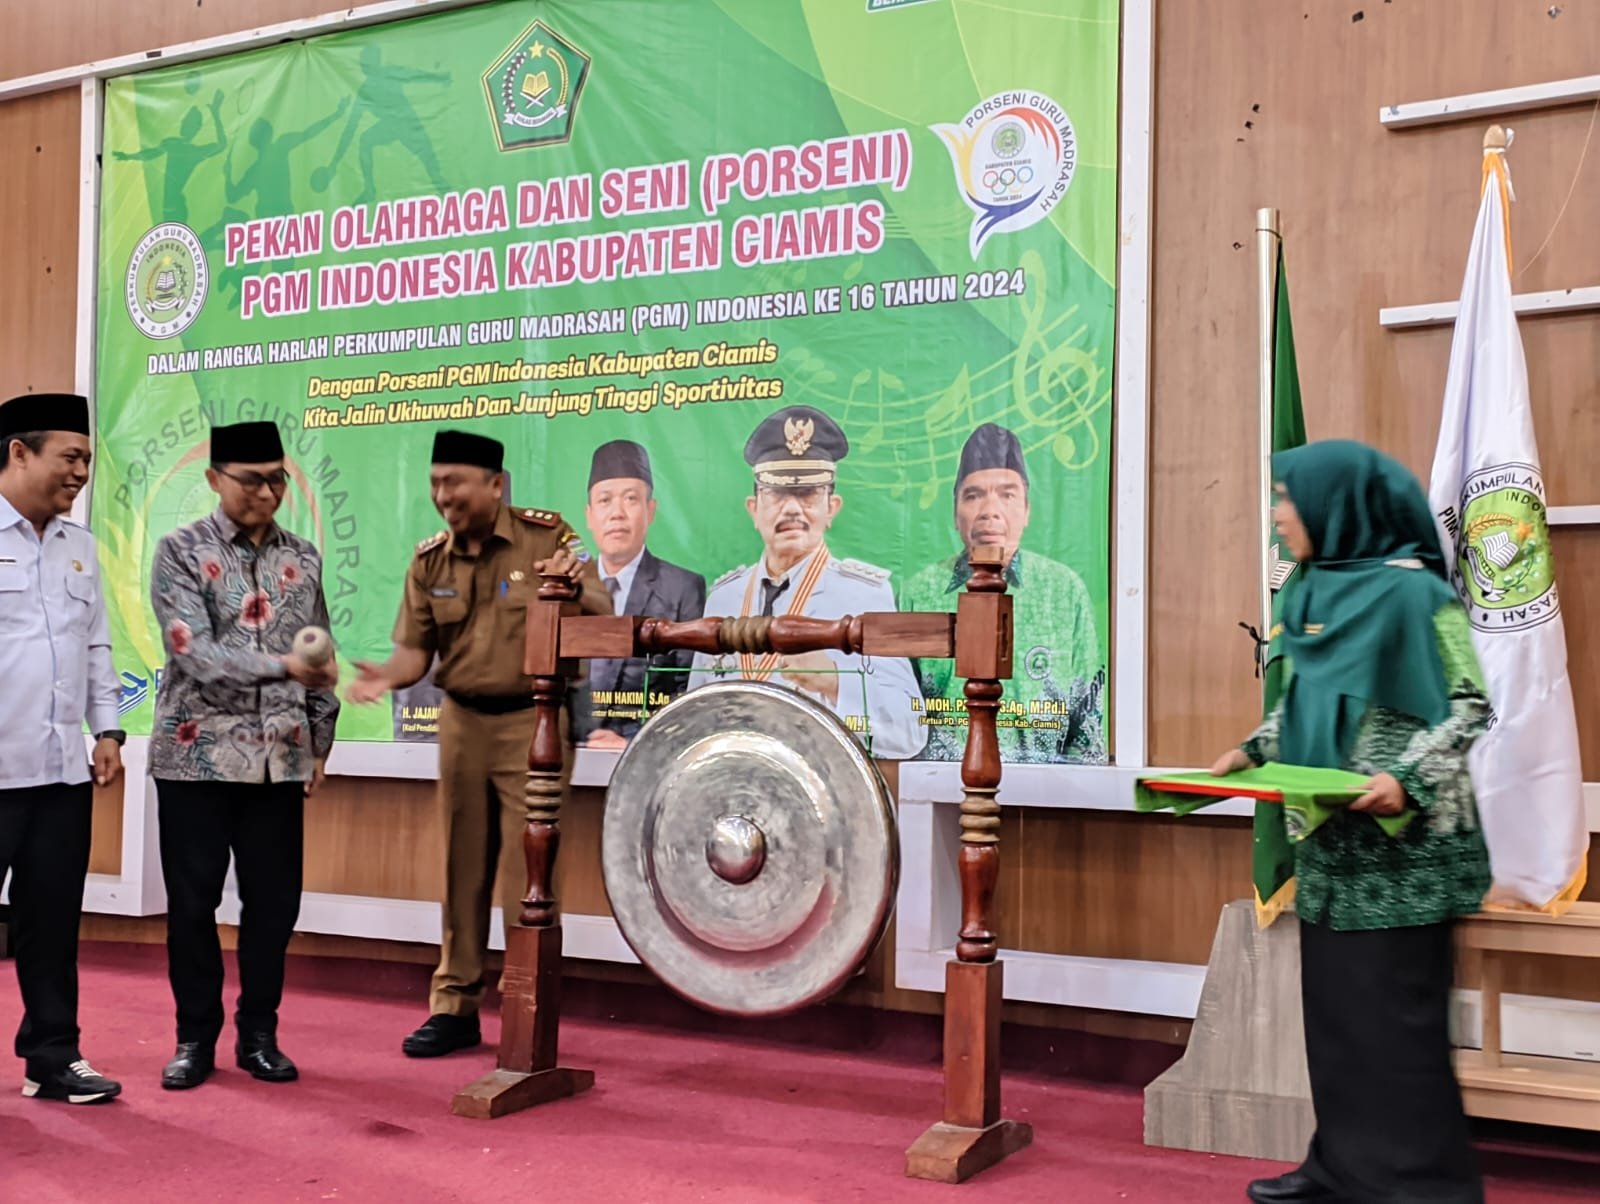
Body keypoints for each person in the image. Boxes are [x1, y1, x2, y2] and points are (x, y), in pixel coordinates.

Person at [1209, 441, 1490, 1204]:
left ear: (1334, 507)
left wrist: (1406, 780)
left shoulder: (1419, 597)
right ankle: (1338, 1168)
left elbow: (1471, 705)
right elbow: (1303, 707)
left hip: (1409, 863)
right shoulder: (1306, 594)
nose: (1276, 515)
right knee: (1337, 1030)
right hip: (1332, 856)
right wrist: (1252, 749)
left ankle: (1423, 1188)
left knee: (1397, 1038)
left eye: (1285, 499)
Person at [347, 430, 608, 1058]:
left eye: (455, 483)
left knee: (529, 879)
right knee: (461, 869)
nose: (444, 497)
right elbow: (416, 653)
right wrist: (387, 675)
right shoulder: (430, 561)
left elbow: (602, 620)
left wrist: (572, 588)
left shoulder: (548, 541)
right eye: (436, 484)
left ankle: (526, 1009)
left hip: (533, 725)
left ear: (495, 483)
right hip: (461, 722)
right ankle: (454, 1006)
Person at [148, 420, 340, 1091]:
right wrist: (286, 667)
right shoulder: (179, 551)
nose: (267, 492)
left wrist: (321, 738)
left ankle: (259, 1033)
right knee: (192, 906)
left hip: (280, 760)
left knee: (275, 905)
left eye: (277, 479)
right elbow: (192, 653)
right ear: (214, 480)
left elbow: (320, 652)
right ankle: (193, 1038)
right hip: (196, 757)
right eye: (251, 479)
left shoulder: (306, 556)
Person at [0, 392, 124, 1105]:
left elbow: (97, 647)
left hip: (58, 775)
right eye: (69, 457)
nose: (81, 472)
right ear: (20, 451)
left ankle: (52, 1055)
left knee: (51, 924)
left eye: (87, 459)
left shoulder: (80, 547)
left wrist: (106, 730)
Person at [688, 405, 926, 760]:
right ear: (754, 509)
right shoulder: (725, 596)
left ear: (833, 507)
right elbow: (697, 716)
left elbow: (910, 729)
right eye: (778, 494)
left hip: (825, 795)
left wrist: (834, 680)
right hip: (735, 789)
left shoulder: (865, 593)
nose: (792, 510)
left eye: (808, 495)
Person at [898, 423, 1105, 763]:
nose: (989, 511)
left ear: (1027, 511)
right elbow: (898, 714)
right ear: (955, 513)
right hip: (940, 794)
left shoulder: (1064, 591)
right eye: (974, 495)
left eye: (1006, 495)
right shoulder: (920, 592)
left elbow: (1086, 726)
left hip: (1044, 796)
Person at [571, 440, 705, 748]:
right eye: (605, 501)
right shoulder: (566, 589)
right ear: (589, 516)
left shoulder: (683, 588)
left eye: (630, 499)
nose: (617, 513)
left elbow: (688, 692)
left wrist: (634, 743)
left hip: (643, 759)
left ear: (650, 510)